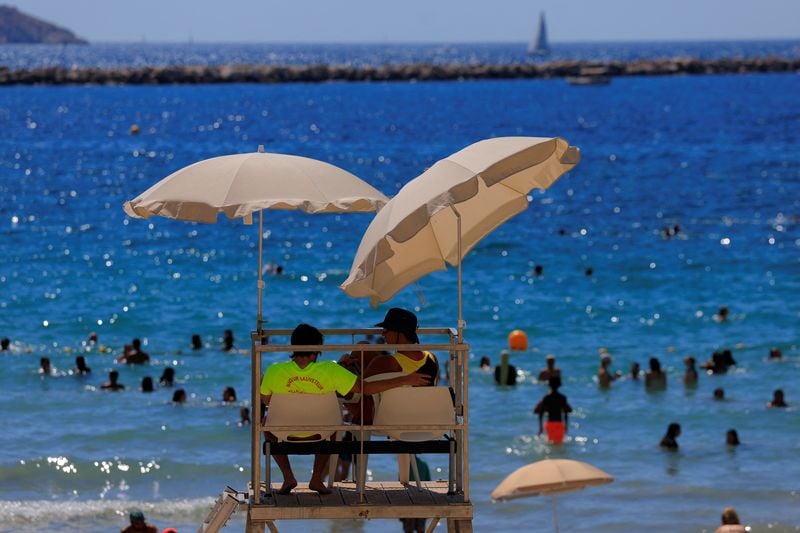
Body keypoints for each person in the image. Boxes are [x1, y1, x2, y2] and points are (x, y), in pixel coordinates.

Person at [260, 323, 429, 495]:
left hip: (285, 431)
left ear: (293, 346)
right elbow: (366, 388)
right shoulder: (331, 370)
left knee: (266, 423)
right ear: (318, 349)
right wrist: (403, 379)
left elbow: (267, 401)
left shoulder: (274, 371)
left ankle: (288, 477)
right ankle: (316, 478)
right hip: (320, 432)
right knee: (334, 424)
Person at [363, 308, 440, 385]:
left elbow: (361, 387)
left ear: (398, 332)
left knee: (363, 347)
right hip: (425, 393)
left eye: (386, 329)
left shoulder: (387, 362)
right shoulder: (432, 358)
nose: (383, 334)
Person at [534, 376, 572, 444]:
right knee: (559, 443)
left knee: (551, 442)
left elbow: (541, 412)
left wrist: (540, 427)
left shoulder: (547, 397)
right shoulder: (562, 398)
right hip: (559, 423)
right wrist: (566, 425)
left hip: (550, 423)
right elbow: (566, 412)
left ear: (549, 385)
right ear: (559, 385)